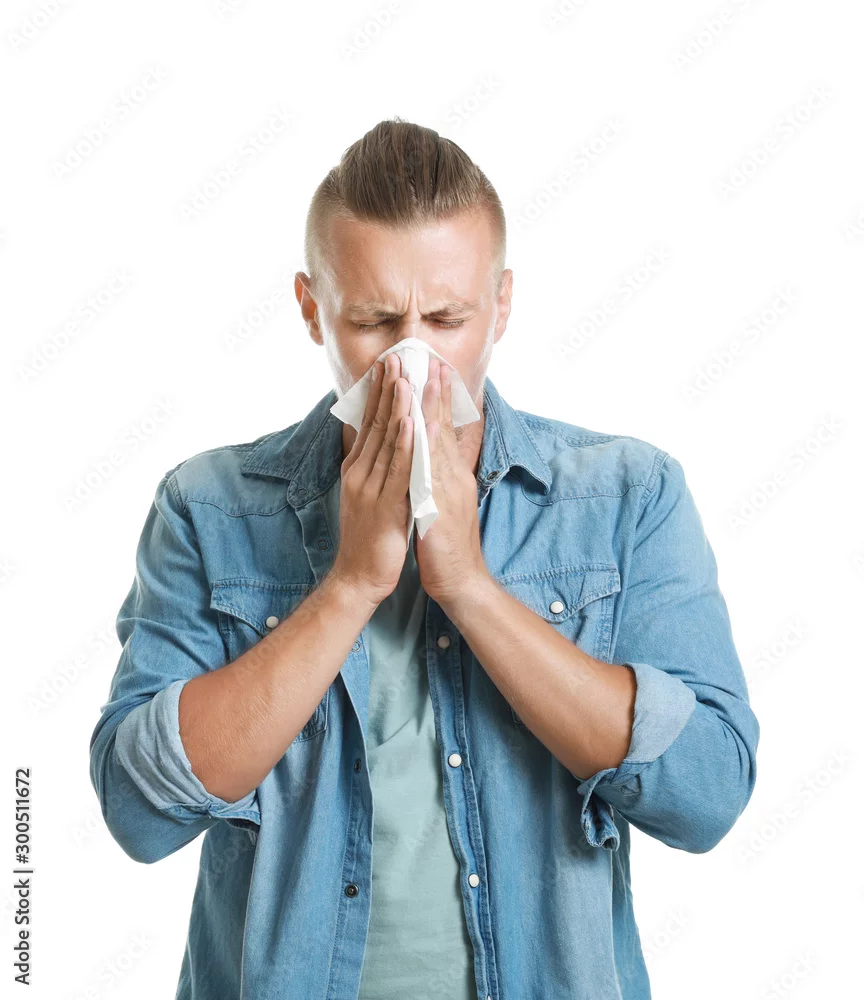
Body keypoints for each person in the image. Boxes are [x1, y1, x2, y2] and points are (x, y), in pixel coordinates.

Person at [89, 118, 759, 1000]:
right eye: (373, 320)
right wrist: (351, 585)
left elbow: (707, 793)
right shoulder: (209, 507)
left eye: (447, 319)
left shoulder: (626, 496)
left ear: (502, 305)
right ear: (311, 308)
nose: (413, 357)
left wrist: (470, 587)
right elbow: (140, 813)